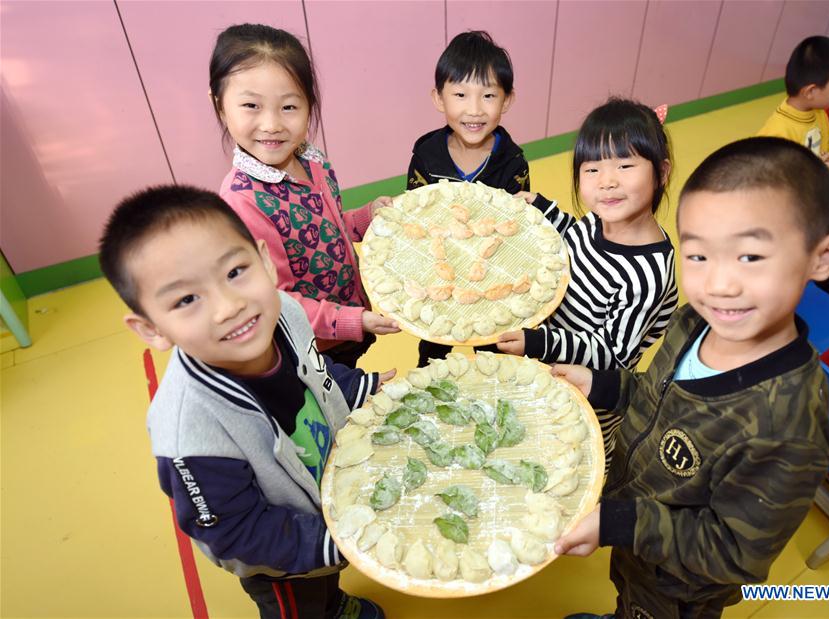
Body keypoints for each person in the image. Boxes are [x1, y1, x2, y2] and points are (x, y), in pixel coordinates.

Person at [553, 137, 829, 619]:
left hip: (678, 589)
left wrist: (625, 521)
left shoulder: (788, 424)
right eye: (698, 256)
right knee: (626, 598)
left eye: (750, 257)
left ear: (823, 256)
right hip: (637, 540)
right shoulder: (696, 321)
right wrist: (599, 383)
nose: (719, 284)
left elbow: (735, 552)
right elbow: (658, 395)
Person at [98, 185, 392, 619]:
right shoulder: (190, 434)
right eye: (186, 299)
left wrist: (359, 388)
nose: (229, 306)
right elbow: (236, 532)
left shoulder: (286, 312)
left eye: (235, 272)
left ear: (264, 261)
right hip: (282, 563)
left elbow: (315, 371)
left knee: (328, 581)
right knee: (305, 604)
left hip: (328, 495)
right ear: (151, 330)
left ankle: (334, 600)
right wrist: (338, 541)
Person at [497, 98, 678, 463]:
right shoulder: (599, 220)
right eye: (592, 170)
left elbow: (612, 353)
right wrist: (544, 208)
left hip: (587, 393)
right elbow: (574, 239)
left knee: (573, 455)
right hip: (548, 362)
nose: (607, 183)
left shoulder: (649, 272)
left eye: (625, 166)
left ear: (661, 172)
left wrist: (538, 341)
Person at [211, 23, 399, 368]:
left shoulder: (312, 161)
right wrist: (353, 321)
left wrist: (363, 218)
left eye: (288, 107)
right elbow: (279, 300)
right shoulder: (243, 202)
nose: (271, 124)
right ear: (220, 106)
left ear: (310, 106)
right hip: (312, 348)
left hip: (347, 323)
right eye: (251, 105)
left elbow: (323, 229)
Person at [407, 30, 530, 367]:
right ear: (439, 98)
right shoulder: (426, 155)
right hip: (440, 270)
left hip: (490, 275)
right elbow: (415, 215)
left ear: (506, 100)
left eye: (488, 96)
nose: (474, 110)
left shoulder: (513, 162)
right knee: (434, 349)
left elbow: (517, 229)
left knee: (493, 351)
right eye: (460, 94)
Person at [758, 35, 829, 294]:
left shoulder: (818, 116)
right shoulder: (777, 135)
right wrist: (817, 171)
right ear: (811, 91)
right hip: (797, 213)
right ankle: (808, 291)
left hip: (823, 197)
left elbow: (824, 149)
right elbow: (772, 190)